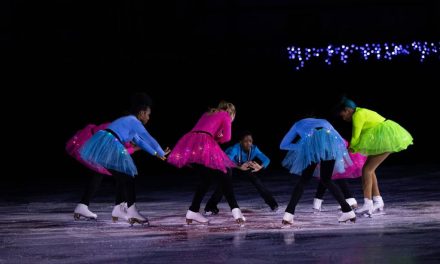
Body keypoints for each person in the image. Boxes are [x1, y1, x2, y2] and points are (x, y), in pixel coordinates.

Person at [167, 101, 245, 225]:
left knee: (206, 179)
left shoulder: (208, 113)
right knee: (226, 172)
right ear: (232, 112)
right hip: (204, 142)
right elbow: (227, 138)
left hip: (190, 142)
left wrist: (215, 137)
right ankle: (236, 210)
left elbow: (205, 129)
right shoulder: (225, 115)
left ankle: (193, 211)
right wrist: (219, 137)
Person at [337, 97, 413, 215]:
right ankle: (378, 200)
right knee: (369, 170)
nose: (342, 117)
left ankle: (368, 204)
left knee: (367, 170)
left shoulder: (358, 115)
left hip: (386, 137)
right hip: (383, 136)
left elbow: (355, 136)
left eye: (342, 114)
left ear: (347, 110)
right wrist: (353, 148)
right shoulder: (360, 112)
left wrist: (351, 148)